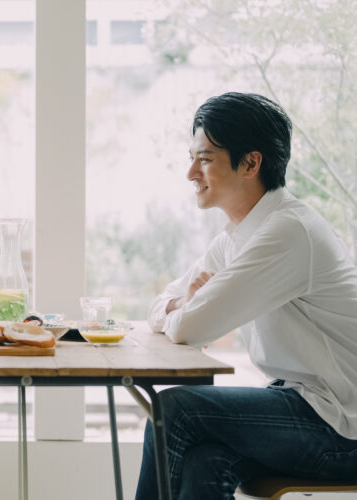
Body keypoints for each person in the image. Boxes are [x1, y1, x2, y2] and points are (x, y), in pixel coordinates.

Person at [135, 93, 357, 500]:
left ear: (251, 163)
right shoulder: (237, 237)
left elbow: (189, 328)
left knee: (173, 412)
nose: (190, 173)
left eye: (204, 159)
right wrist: (180, 307)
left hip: (343, 425)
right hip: (304, 405)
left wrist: (184, 311)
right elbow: (162, 304)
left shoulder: (289, 232)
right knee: (205, 459)